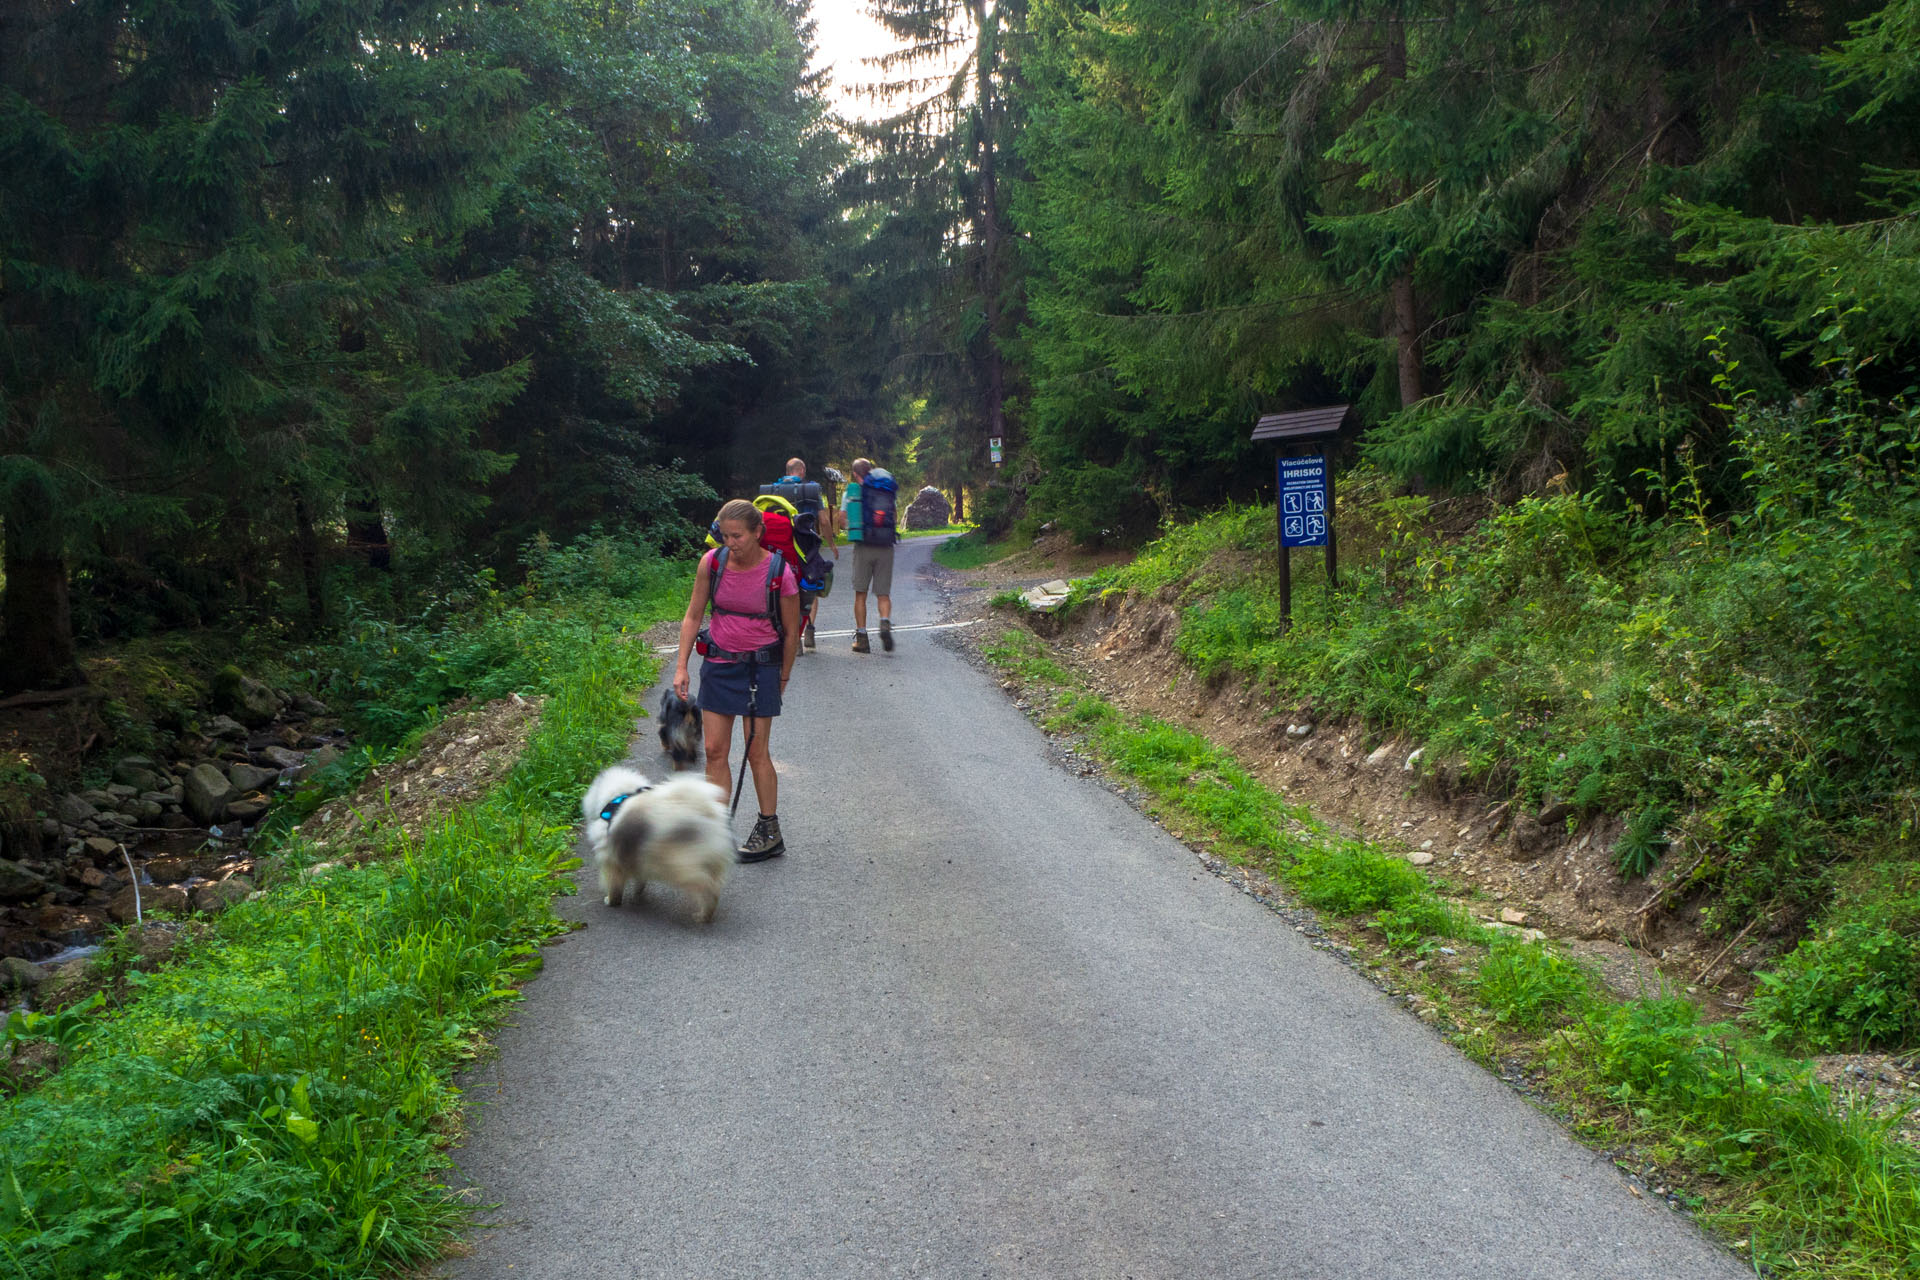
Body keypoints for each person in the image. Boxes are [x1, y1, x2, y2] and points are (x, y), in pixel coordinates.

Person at [673, 499, 802, 862]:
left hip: (761, 669)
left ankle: (769, 829)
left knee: (755, 751)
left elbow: (791, 633)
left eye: (738, 536)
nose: (731, 543)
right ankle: (715, 831)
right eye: (725, 535)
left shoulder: (779, 572)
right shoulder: (711, 564)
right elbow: (693, 614)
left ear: (757, 532)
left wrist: (784, 675)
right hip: (718, 665)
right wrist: (681, 666)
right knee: (714, 751)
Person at [764, 457, 836, 653]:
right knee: (809, 585)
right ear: (802, 471)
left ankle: (789, 635)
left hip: (780, 547)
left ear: (787, 472)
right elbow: (824, 520)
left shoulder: (773, 490)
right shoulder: (811, 490)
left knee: (785, 589)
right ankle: (807, 630)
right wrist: (831, 543)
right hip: (806, 548)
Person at [840, 457, 898, 653]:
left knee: (860, 594)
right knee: (883, 593)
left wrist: (852, 526)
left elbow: (842, 520)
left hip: (863, 545)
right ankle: (884, 621)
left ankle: (862, 639)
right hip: (885, 545)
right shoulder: (885, 488)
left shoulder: (853, 491)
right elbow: (894, 515)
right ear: (871, 470)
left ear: (856, 474)